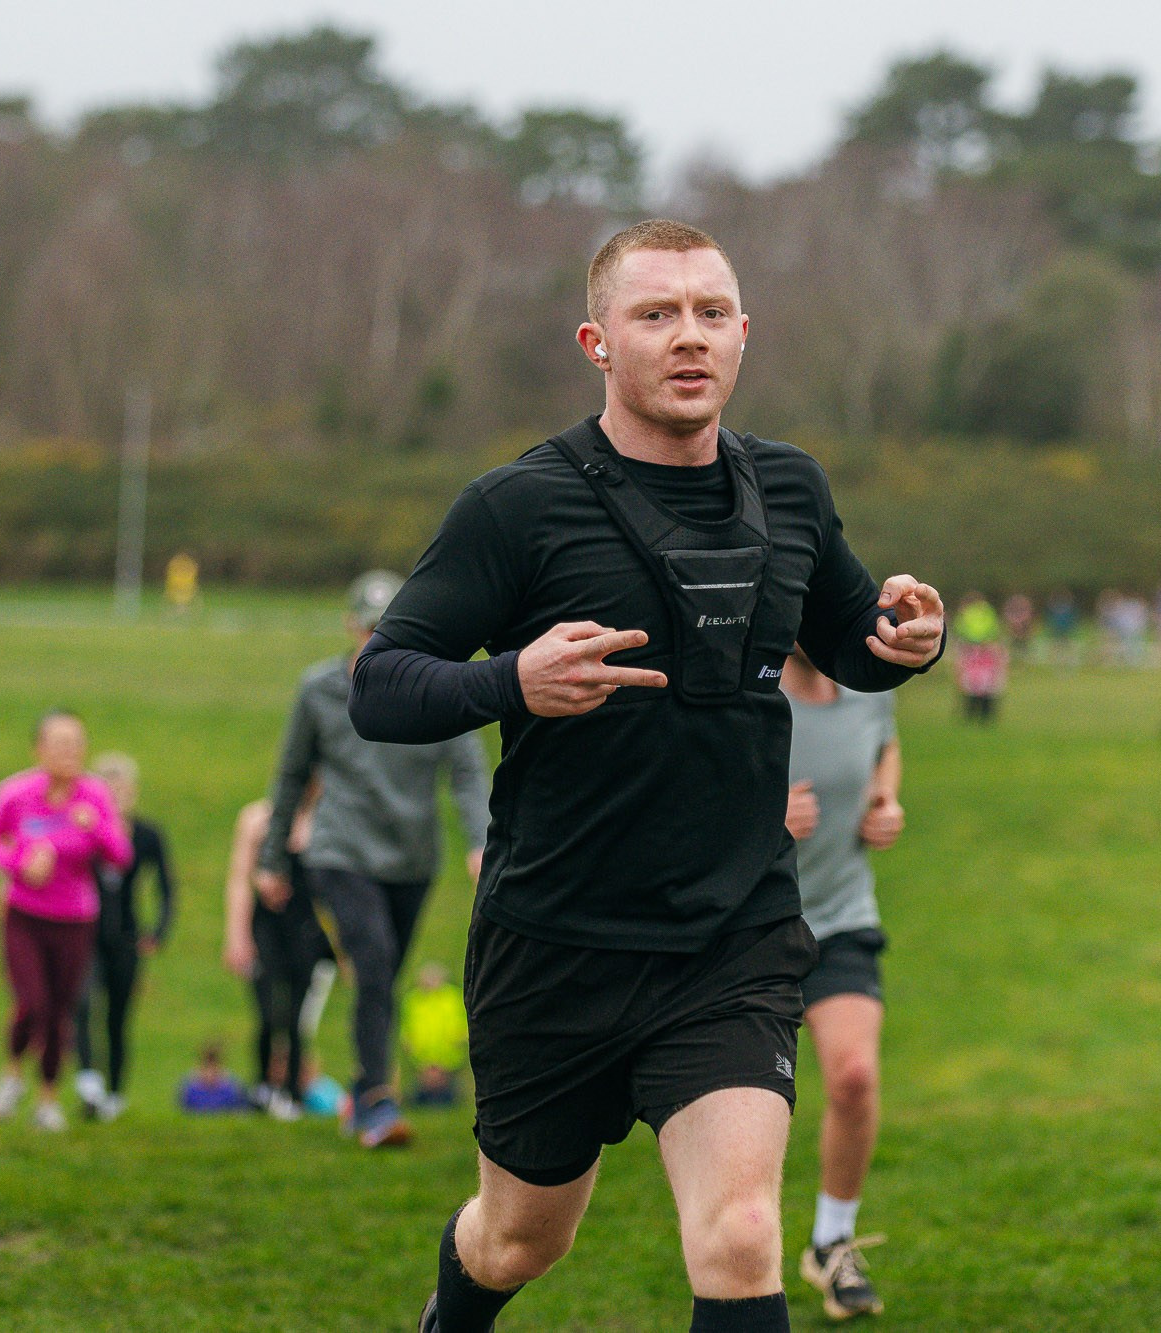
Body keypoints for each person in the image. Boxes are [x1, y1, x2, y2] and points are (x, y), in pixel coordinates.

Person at [349, 219, 943, 1332]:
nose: (688, 337)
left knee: (737, 1235)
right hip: (555, 941)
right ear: (596, 341)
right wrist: (510, 682)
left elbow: (854, 640)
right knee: (521, 1237)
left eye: (710, 313)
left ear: (742, 334)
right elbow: (379, 685)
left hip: (730, 935)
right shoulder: (514, 508)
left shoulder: (790, 491)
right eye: (654, 314)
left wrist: (912, 639)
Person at [257, 571, 492, 1150]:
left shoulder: (437, 688)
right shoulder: (319, 690)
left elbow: (466, 771)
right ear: (351, 627)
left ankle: (362, 1090)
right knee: (376, 961)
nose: (375, 644)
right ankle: (377, 1104)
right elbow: (291, 775)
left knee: (382, 979)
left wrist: (481, 839)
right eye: (368, 631)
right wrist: (271, 860)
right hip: (339, 849)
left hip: (412, 855)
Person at [781, 646, 905, 1320]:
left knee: (854, 1076)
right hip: (746, 930)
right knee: (755, 1111)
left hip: (841, 917)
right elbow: (677, 793)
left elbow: (885, 743)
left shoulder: (867, 687)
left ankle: (832, 1239)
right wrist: (763, 820)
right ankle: (735, 1251)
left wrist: (885, 798)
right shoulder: (747, 691)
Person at [0, 709, 133, 1131]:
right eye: (59, 744)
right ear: (39, 749)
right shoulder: (15, 794)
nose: (69, 752)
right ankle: (10, 1074)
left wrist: (96, 827)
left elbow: (120, 856)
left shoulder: (94, 797)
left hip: (76, 918)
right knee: (32, 1001)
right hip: (23, 914)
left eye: (76, 744)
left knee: (60, 1010)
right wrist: (20, 862)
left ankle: (46, 1099)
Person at [72, 751, 175, 1121]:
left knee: (118, 1018)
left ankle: (114, 1094)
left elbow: (166, 888)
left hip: (126, 936)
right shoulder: (83, 830)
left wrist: (158, 931)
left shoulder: (148, 835)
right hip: (84, 933)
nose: (115, 795)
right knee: (81, 1004)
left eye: (122, 788)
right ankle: (88, 1081)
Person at [225, 787, 337, 1120]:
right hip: (266, 929)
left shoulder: (327, 821)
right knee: (267, 1011)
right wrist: (237, 936)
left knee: (297, 1017)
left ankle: (292, 1093)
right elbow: (239, 879)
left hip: (306, 930)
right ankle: (263, 1086)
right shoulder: (257, 818)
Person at [400, 962, 468, 1109]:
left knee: (447, 1096)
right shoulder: (412, 1000)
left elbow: (463, 1024)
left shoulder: (453, 997)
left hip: (448, 1059)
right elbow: (406, 1027)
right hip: (421, 1059)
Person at [952, 593, 1005, 724]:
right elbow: (994, 628)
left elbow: (960, 628)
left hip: (979, 648)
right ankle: (977, 712)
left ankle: (979, 712)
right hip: (976, 647)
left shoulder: (971, 611)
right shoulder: (985, 611)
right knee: (974, 681)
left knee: (979, 681)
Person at [178, 1041, 250, 1114]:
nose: (210, 1074)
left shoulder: (233, 1089)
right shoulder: (189, 1089)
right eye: (207, 1069)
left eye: (214, 1069)